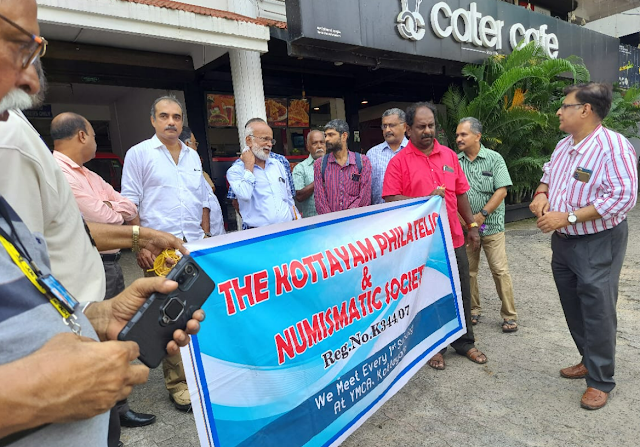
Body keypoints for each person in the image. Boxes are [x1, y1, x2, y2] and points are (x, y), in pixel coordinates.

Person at [0, 2, 204, 445]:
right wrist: (34, 395)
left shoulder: (13, 133)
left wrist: (93, 316)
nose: (33, 81)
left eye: (37, 51)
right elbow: (118, 209)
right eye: (18, 45)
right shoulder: (14, 144)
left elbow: (30, 269)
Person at [530, 83, 637, 410]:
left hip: (598, 240)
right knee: (573, 304)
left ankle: (600, 380)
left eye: (565, 106)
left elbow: (622, 197)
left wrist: (568, 217)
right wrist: (541, 194)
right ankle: (589, 359)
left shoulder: (613, 148)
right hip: (563, 242)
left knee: (597, 308)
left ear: (586, 110)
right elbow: (549, 174)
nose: (559, 112)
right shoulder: (564, 146)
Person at [51, 112, 159, 432]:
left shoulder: (87, 174)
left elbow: (127, 206)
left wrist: (111, 207)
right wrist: (111, 208)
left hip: (110, 264)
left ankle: (118, 410)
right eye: (95, 136)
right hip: (88, 265)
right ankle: (105, 421)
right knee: (97, 338)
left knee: (114, 335)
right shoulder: (58, 172)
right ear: (82, 135)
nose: (97, 142)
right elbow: (102, 217)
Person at [121, 95, 214, 412]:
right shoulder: (139, 154)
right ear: (153, 120)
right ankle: (179, 384)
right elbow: (130, 203)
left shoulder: (192, 156)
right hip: (159, 249)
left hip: (193, 244)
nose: (171, 122)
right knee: (170, 316)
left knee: (199, 311)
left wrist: (204, 234)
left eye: (176, 116)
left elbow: (201, 199)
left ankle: (203, 372)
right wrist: (140, 245)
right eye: (164, 116)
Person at [382, 102, 487, 370]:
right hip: (422, 245)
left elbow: (460, 193)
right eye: (421, 127)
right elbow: (391, 198)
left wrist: (472, 226)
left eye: (431, 126)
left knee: (461, 291)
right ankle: (434, 346)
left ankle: (464, 342)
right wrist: (424, 201)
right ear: (408, 129)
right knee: (429, 295)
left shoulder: (450, 156)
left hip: (453, 239)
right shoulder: (398, 162)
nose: (428, 131)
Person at [456, 117, 518, 333]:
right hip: (466, 228)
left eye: (463, 134)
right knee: (469, 271)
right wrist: (466, 221)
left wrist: (482, 215)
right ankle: (473, 310)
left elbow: (502, 190)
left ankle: (509, 315)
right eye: (457, 135)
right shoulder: (455, 161)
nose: (459, 138)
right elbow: (452, 193)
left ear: (477, 136)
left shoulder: (494, 159)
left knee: (500, 270)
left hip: (491, 225)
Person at [226, 118, 296, 228]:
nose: (269, 144)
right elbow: (244, 195)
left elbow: (288, 197)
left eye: (271, 140)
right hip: (259, 233)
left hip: (287, 229)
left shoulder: (278, 164)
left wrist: (297, 220)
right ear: (249, 140)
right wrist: (249, 166)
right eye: (265, 139)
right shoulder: (236, 170)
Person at [313, 119, 372, 214]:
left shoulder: (362, 161)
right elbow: (320, 199)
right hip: (330, 220)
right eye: (326, 135)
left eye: (331, 135)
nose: (326, 139)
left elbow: (365, 197)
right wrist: (332, 219)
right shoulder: (320, 164)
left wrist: (348, 216)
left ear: (344, 136)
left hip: (356, 219)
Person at [179, 125, 225, 235]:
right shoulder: (180, 171)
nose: (196, 148)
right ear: (187, 144)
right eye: (195, 144)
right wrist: (206, 233)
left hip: (214, 234)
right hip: (202, 236)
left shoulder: (196, 168)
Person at [367, 108, 409, 205]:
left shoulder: (415, 152)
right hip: (379, 211)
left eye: (392, 125)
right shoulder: (372, 154)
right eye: (384, 126)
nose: (387, 130)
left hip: (410, 211)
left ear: (404, 127)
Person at [292, 129, 325, 218]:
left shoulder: (335, 165)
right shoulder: (300, 168)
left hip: (335, 219)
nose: (319, 146)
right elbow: (299, 196)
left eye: (322, 142)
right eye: (314, 143)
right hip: (313, 221)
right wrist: (320, 180)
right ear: (308, 147)